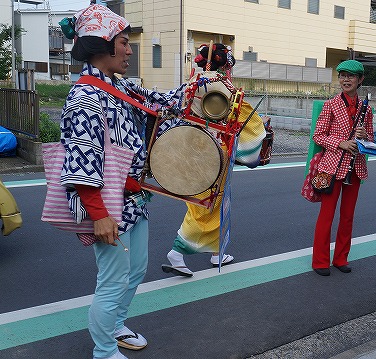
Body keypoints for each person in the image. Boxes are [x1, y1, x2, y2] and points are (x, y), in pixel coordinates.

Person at [58, 5, 184, 359]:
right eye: (124, 43)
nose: (130, 50)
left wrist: (203, 85)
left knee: (136, 269)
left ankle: (115, 325)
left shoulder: (118, 86)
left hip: (132, 199)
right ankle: (103, 351)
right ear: (102, 46)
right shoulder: (85, 97)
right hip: (106, 203)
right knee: (112, 280)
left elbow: (164, 102)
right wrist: (97, 213)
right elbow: (81, 161)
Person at [161, 43, 267, 277]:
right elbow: (248, 122)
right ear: (225, 64)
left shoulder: (193, 82)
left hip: (189, 146)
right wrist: (256, 140)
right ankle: (177, 252)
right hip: (212, 153)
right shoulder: (222, 86)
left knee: (209, 201)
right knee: (205, 204)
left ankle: (218, 252)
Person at [311, 59, 374, 276]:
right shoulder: (330, 104)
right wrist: (341, 142)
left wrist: (366, 137)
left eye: (351, 76)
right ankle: (320, 261)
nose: (346, 79)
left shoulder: (367, 109)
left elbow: (372, 139)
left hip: (355, 168)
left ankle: (341, 258)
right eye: (342, 75)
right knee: (326, 215)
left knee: (348, 216)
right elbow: (318, 136)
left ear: (360, 80)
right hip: (332, 167)